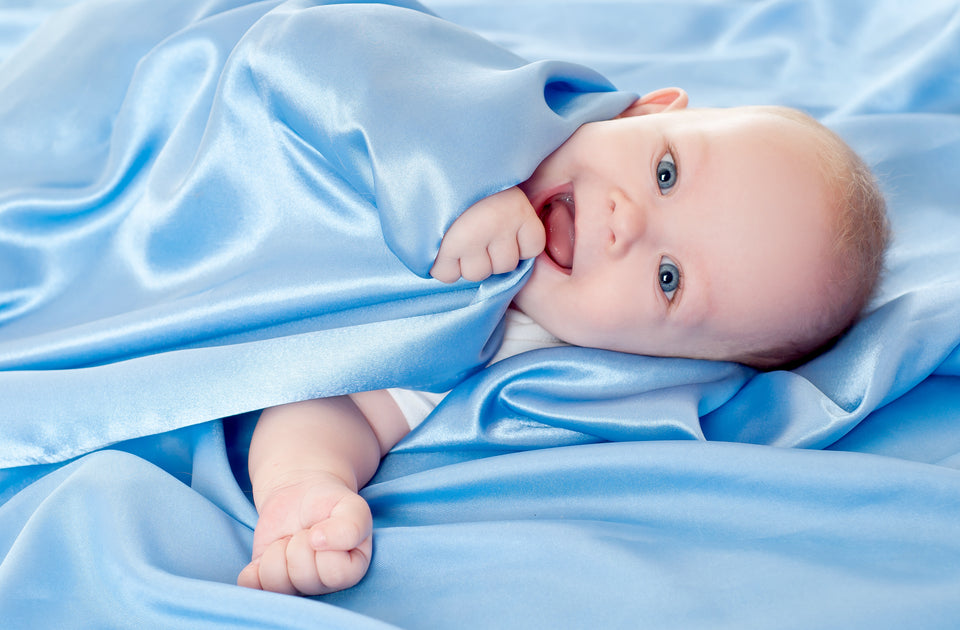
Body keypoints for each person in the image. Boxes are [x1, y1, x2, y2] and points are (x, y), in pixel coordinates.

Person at [236, 87, 889, 596]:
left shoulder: (510, 346)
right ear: (644, 110)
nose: (625, 219)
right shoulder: (527, 105)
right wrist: (446, 184)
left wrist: (306, 484)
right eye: (665, 173)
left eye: (669, 279)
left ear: (654, 360)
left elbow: (347, 409)